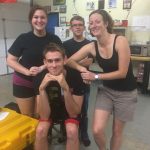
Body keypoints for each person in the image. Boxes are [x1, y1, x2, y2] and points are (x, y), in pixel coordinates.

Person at [66, 9, 137, 150]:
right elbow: (70, 61)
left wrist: (95, 76)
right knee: (97, 130)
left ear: (106, 23)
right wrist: (83, 70)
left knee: (117, 132)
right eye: (91, 23)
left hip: (126, 93)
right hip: (107, 91)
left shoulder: (120, 41)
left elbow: (122, 72)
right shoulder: (92, 46)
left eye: (97, 21)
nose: (94, 25)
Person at [6, 5, 62, 117]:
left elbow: (60, 61)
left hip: (44, 82)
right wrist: (27, 71)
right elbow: (10, 60)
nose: (39, 20)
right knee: (27, 116)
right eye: (36, 17)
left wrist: (43, 67)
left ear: (47, 19)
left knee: (40, 116)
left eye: (43, 17)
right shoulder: (23, 38)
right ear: (31, 20)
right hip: (23, 81)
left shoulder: (54, 39)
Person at [33, 43, 84, 150]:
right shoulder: (39, 78)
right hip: (50, 110)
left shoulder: (75, 76)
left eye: (57, 60)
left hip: (69, 110)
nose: (54, 65)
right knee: (40, 130)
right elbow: (44, 116)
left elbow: (74, 112)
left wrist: (65, 88)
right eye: (50, 61)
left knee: (72, 131)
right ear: (45, 62)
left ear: (65, 60)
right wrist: (41, 89)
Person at [63, 15, 93, 146]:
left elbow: (89, 61)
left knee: (83, 111)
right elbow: (64, 63)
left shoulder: (90, 44)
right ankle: (66, 132)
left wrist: (71, 61)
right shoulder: (65, 44)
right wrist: (74, 62)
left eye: (80, 25)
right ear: (71, 28)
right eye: (75, 25)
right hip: (69, 82)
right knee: (67, 109)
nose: (78, 27)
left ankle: (83, 133)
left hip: (84, 82)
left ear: (84, 27)